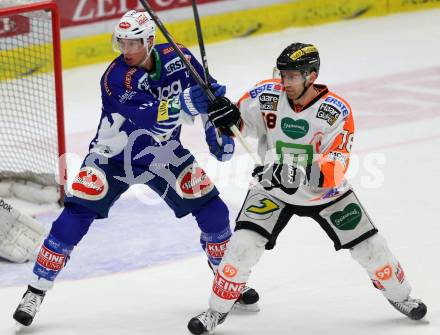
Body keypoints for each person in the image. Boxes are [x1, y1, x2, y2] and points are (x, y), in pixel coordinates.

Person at [12, 10, 259, 327]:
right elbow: (150, 121)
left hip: (163, 156)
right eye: (122, 43)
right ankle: (35, 291)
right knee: (74, 216)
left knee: (214, 212)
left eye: (133, 43)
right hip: (114, 157)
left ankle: (227, 284)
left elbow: (208, 94)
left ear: (150, 41)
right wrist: (186, 102)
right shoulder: (115, 78)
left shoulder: (179, 57)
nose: (126, 50)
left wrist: (218, 129)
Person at [186, 43, 427, 334]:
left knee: (372, 249)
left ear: (311, 76)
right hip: (272, 189)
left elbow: (333, 169)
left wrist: (288, 171)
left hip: (325, 194)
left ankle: (402, 297)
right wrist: (223, 115)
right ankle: (216, 311)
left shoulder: (335, 112)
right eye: (282, 74)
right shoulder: (266, 94)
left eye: (292, 76)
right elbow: (240, 125)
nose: (284, 82)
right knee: (241, 247)